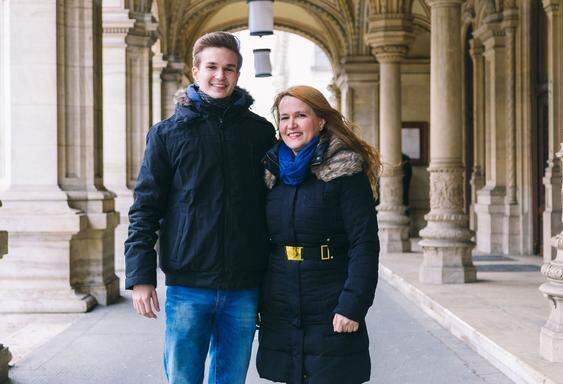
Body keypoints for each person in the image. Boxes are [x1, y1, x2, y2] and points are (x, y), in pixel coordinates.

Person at [124, 31, 276, 384]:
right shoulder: (167, 133)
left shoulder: (259, 132)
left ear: (238, 74)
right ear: (195, 70)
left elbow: (277, 202)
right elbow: (145, 208)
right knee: (183, 378)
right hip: (188, 283)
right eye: (212, 67)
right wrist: (141, 277)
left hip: (243, 284)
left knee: (229, 379)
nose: (220, 76)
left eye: (229, 68)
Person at [256, 85, 380, 384]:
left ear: (321, 120)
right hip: (281, 297)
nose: (291, 125)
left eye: (301, 115)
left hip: (330, 295)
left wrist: (353, 305)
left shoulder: (344, 171)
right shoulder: (271, 171)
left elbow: (364, 243)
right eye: (285, 117)